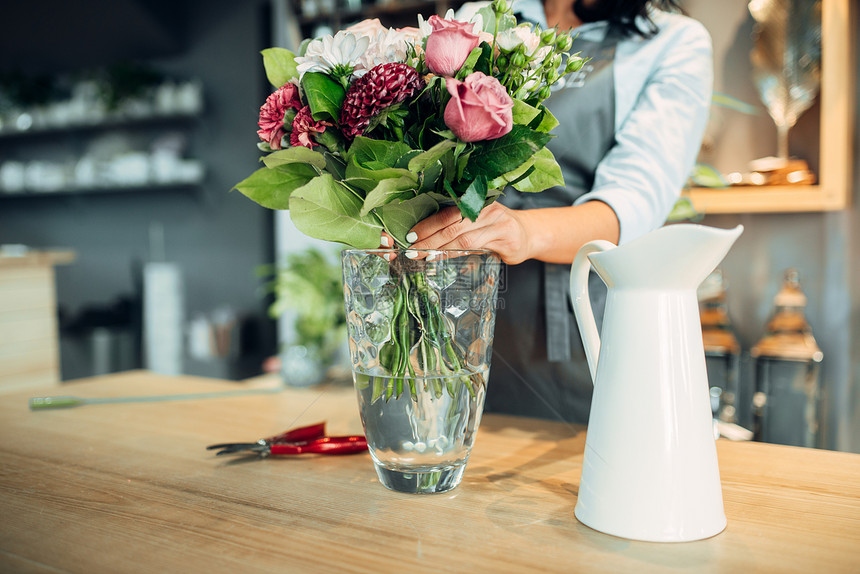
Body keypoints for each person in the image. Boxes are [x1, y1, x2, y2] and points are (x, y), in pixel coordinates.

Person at [387, 0, 714, 422]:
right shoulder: (480, 16)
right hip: (456, 316)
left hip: (580, 326)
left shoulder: (670, 40)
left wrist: (521, 230)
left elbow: (631, 207)